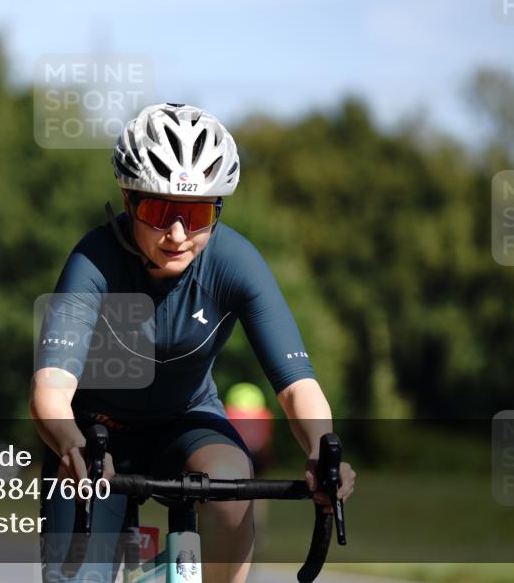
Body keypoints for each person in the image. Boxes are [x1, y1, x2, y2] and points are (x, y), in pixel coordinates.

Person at [30, 103, 356, 583]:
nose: (178, 235)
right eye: (160, 211)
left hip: (187, 422)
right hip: (93, 435)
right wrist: (74, 447)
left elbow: (296, 386)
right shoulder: (93, 260)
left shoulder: (235, 260)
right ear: (128, 199)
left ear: (218, 211)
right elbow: (50, 388)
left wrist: (319, 451)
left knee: (228, 481)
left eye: (198, 213)